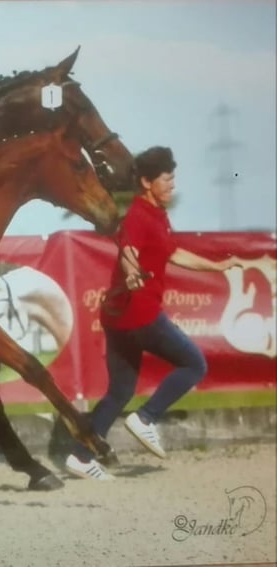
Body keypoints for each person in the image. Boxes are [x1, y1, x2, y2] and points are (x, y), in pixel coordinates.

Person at [65, 146, 240, 480]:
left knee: (120, 390)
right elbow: (128, 250)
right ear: (147, 182)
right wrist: (132, 273)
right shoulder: (138, 215)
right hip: (139, 313)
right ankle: (146, 418)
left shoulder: (158, 214)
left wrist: (217, 267)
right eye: (167, 179)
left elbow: (174, 254)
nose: (173, 184)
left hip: (119, 316)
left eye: (173, 178)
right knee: (194, 364)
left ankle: (80, 457)